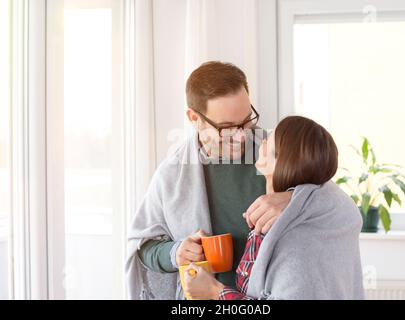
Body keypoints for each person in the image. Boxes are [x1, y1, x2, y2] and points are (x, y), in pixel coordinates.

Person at [125, 61, 293, 299]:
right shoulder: (172, 173)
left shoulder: (276, 150)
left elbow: (331, 202)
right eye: (226, 127)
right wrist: (177, 253)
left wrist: (293, 198)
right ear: (194, 118)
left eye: (247, 120)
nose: (242, 135)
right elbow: (143, 247)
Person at [182, 116, 365, 300]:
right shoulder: (287, 214)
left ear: (279, 161)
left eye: (269, 138)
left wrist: (214, 291)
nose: (262, 140)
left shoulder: (294, 246)